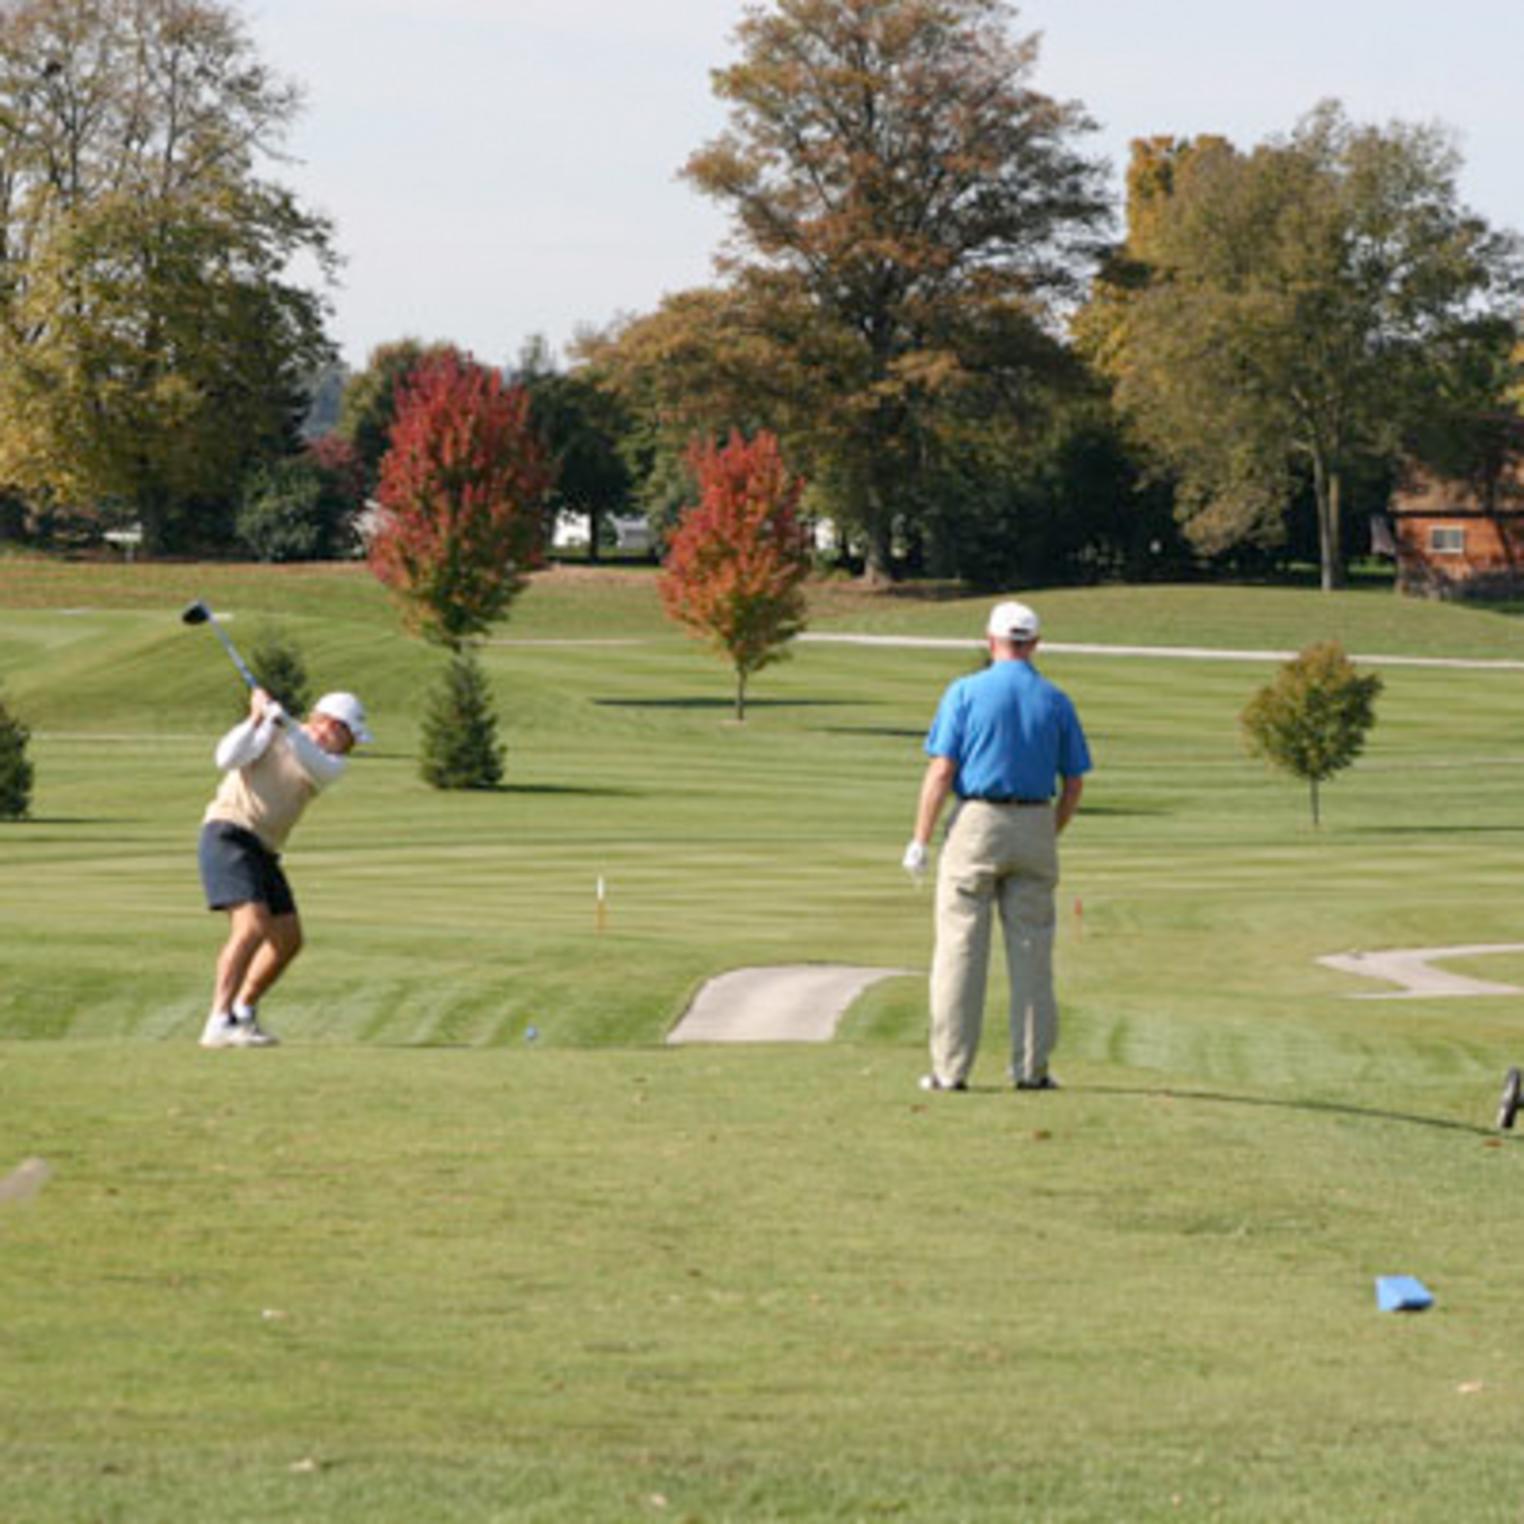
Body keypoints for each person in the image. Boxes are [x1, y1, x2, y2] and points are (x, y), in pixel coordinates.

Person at [902, 600, 1091, 1093]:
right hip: (1035, 821)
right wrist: (1049, 830)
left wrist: (920, 839)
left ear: (990, 641)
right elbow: (1073, 783)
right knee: (1032, 952)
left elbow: (942, 770)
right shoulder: (1055, 700)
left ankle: (950, 1070)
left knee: (960, 948)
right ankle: (1031, 1070)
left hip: (976, 822)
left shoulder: (965, 691)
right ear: (1035, 644)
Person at [197, 687, 372, 1048]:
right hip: (228, 833)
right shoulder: (271, 732)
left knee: (288, 940)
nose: (350, 745)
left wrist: (284, 721)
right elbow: (225, 758)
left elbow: (307, 756)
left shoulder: (329, 764)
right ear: (329, 724)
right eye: (349, 735)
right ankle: (218, 1020)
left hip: (263, 850)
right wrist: (256, 718)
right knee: (251, 926)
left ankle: (243, 1013)